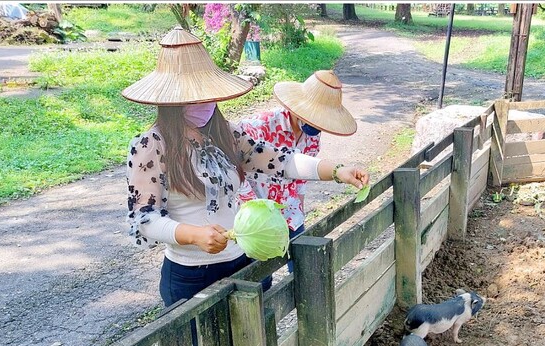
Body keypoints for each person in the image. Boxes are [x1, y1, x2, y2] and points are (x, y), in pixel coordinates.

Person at [122, 27, 369, 308]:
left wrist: (336, 171)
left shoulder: (224, 132)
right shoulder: (150, 146)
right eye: (195, 97)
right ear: (171, 100)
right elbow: (144, 219)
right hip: (191, 276)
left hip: (242, 262)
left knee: (252, 345)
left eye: (209, 94)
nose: (206, 104)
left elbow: (280, 160)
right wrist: (193, 234)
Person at [236, 70, 358, 252]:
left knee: (303, 263)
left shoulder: (312, 138)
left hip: (291, 213)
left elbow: (301, 178)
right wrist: (253, 211)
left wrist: (300, 209)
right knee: (262, 275)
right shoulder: (260, 126)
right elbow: (236, 171)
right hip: (259, 216)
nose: (316, 124)